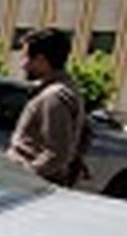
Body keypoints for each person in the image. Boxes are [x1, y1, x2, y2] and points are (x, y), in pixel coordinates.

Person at [8, 28, 92, 186]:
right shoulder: (67, 89)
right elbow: (86, 134)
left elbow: (57, 154)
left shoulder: (53, 97)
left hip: (30, 187)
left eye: (25, 57)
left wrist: (24, 176)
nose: (22, 65)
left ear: (41, 59)